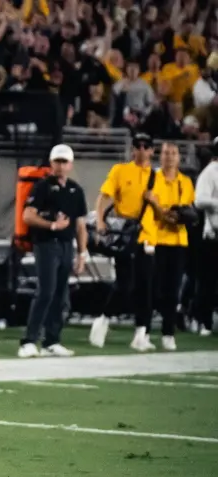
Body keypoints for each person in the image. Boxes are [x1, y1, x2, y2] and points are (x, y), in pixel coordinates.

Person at [18, 144, 88, 358]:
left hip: (66, 246)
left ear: (70, 164)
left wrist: (82, 253)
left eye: (64, 161)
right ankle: (29, 341)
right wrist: (51, 226)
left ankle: (52, 340)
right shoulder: (42, 186)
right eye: (57, 161)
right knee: (46, 291)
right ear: (51, 163)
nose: (60, 165)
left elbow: (80, 225)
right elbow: (27, 216)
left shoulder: (76, 190)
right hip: (46, 244)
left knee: (60, 293)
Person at [91, 132, 155, 347]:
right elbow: (103, 196)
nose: (142, 150)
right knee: (125, 282)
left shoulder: (157, 177)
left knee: (145, 284)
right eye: (138, 145)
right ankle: (103, 319)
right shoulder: (120, 170)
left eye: (146, 146)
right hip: (126, 232)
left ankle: (141, 333)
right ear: (132, 149)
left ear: (152, 151)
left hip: (148, 233)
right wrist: (100, 221)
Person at [136, 142, 195, 352]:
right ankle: (144, 332)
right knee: (152, 289)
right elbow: (168, 215)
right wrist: (166, 213)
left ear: (179, 158)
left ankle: (168, 333)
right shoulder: (152, 179)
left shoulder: (185, 182)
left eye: (174, 153)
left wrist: (158, 206)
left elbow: (179, 216)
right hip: (155, 240)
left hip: (178, 241)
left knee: (173, 290)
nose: (170, 157)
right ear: (160, 157)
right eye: (166, 153)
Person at [192, 138, 218, 337]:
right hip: (213, 236)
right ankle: (204, 322)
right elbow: (199, 200)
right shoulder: (210, 172)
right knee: (208, 282)